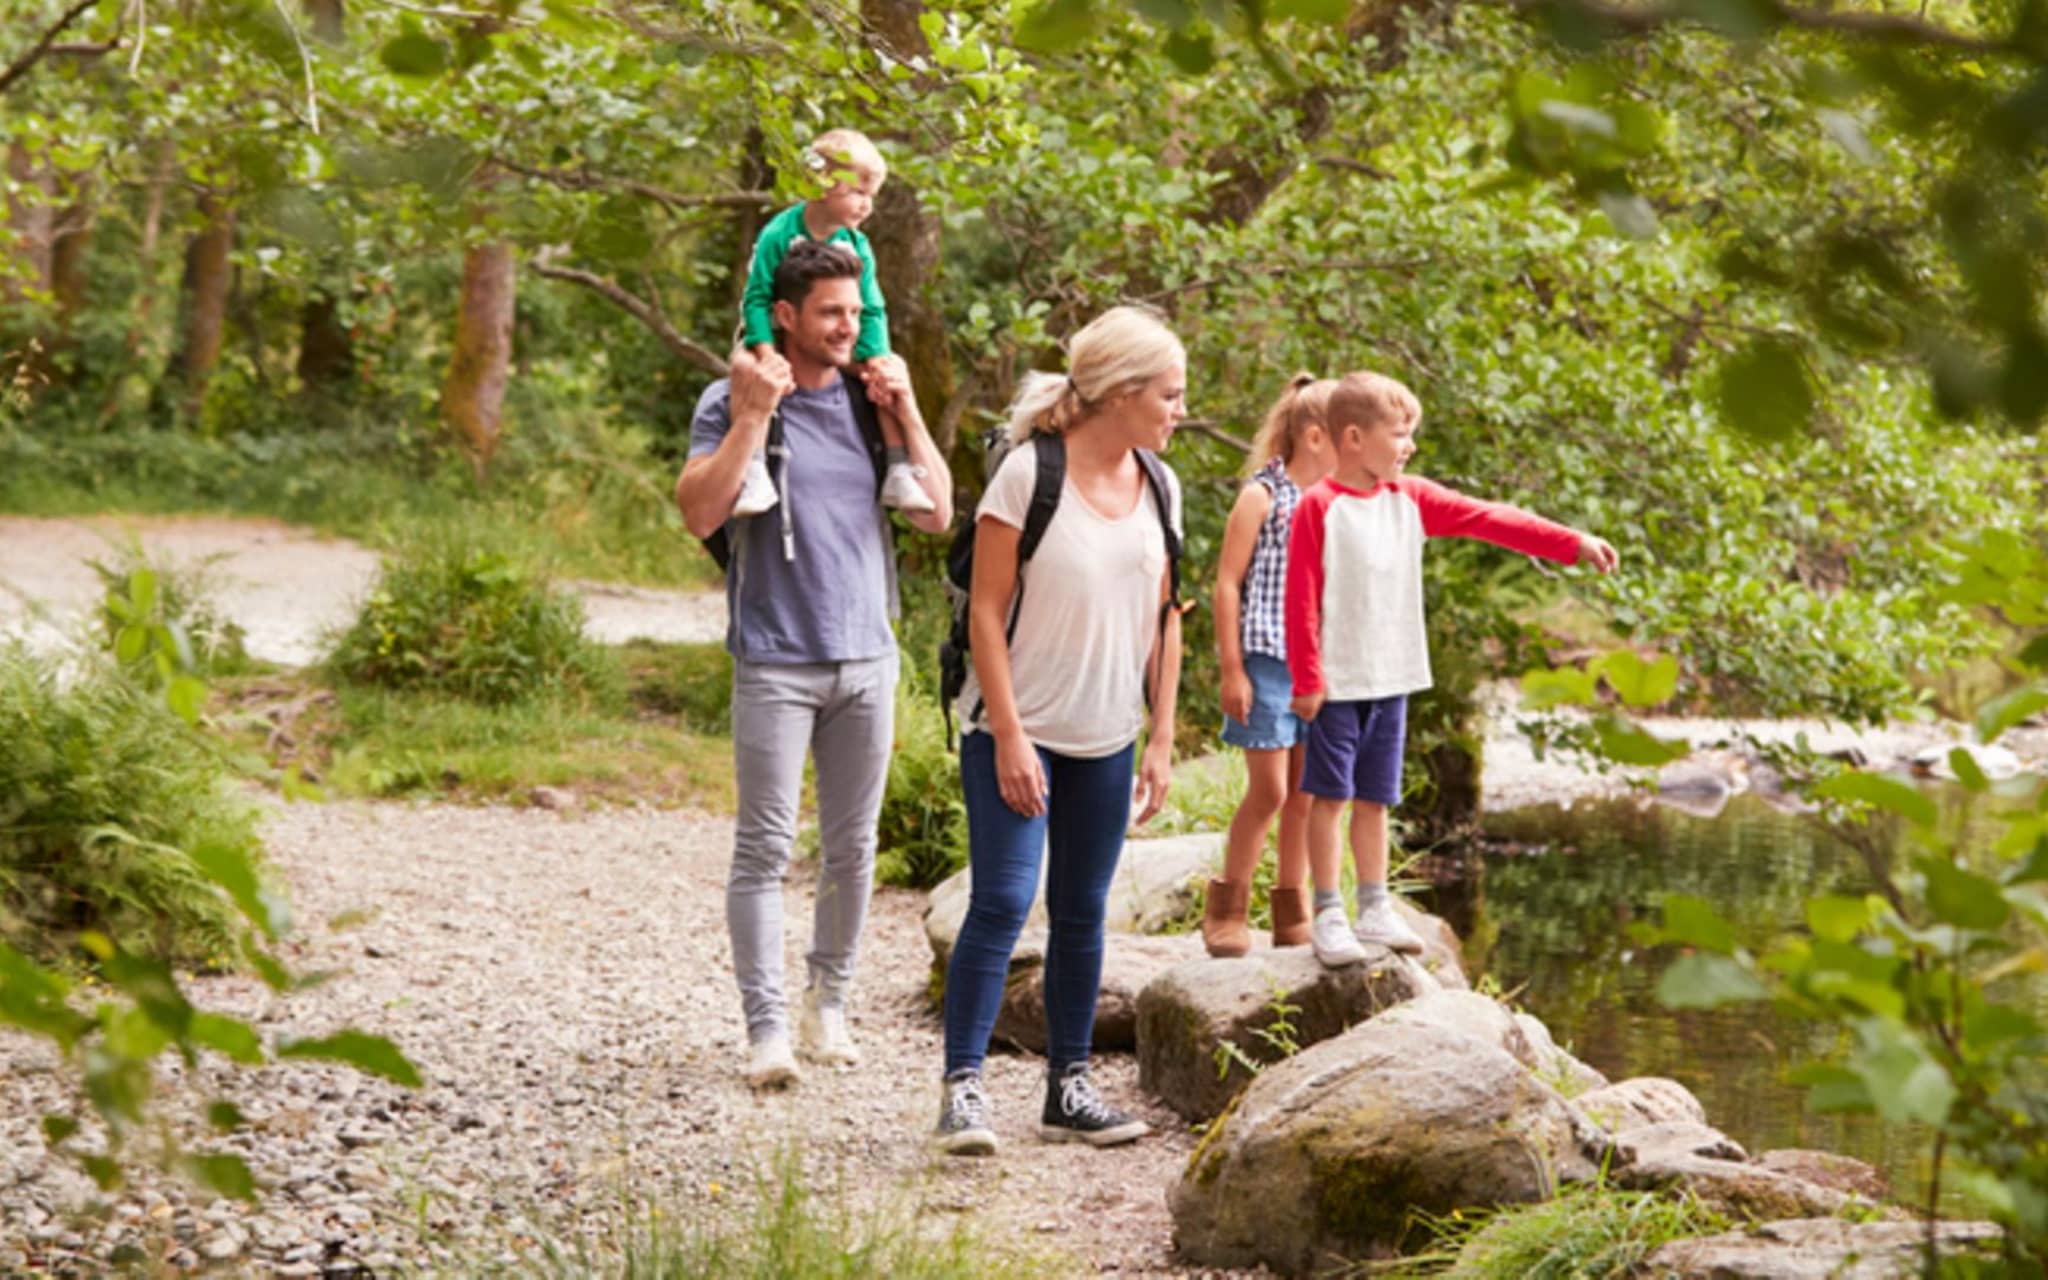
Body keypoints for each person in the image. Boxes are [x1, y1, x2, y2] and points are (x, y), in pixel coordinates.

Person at [676, 239, 953, 1087]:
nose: (848, 326)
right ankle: (766, 1031)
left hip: (867, 657)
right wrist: (756, 415)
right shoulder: (728, 400)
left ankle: (826, 1002)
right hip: (774, 658)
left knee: (852, 847)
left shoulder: (874, 407)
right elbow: (697, 513)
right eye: (830, 312)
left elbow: (939, 515)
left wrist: (907, 412)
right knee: (762, 848)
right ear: (786, 316)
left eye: (856, 311)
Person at [933, 305, 1187, 1156]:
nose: (1179, 410)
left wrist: (1160, 737)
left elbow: (1167, 614)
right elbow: (989, 613)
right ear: (1120, 394)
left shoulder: (1161, 483)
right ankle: (963, 1091)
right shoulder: (1027, 475)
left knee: (1082, 911)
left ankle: (1067, 1091)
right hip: (1017, 725)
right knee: (1004, 899)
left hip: (1109, 735)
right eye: (1169, 394)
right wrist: (1007, 736)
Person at [1284, 371, 1618, 968]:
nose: (1409, 445)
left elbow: (1488, 517)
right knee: (1327, 797)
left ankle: (1374, 905)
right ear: (1354, 438)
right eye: (1401, 433)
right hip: (1338, 683)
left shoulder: (1409, 499)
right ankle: (1328, 911)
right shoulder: (1319, 508)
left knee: (1375, 799)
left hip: (1393, 677)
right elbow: (1300, 596)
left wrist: (1572, 542)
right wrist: (1307, 679)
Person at [1200, 374, 1339, 958]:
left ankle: (1292, 911)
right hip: (1264, 664)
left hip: (1319, 667)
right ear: (1314, 436)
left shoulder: (1337, 500)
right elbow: (1228, 584)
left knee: (1306, 793)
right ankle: (1227, 910)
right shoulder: (1264, 495)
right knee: (1270, 791)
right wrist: (1232, 668)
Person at [731, 128, 933, 519]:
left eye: (871, 196)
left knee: (888, 375)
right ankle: (753, 467)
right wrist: (768, 353)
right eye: (857, 193)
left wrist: (876, 357)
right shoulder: (779, 233)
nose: (867, 206)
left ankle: (898, 466)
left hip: (837, 337)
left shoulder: (858, 245)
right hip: (773, 334)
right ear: (822, 186)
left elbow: (872, 308)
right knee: (744, 368)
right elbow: (756, 298)